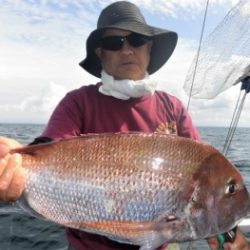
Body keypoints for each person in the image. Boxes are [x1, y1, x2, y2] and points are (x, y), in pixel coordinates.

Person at [0, 1, 249, 250]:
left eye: (137, 40)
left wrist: (226, 234)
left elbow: (206, 181)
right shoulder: (79, 102)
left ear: (149, 49)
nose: (128, 50)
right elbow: (46, 148)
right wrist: (15, 160)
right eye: (114, 43)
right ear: (101, 54)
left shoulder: (172, 107)